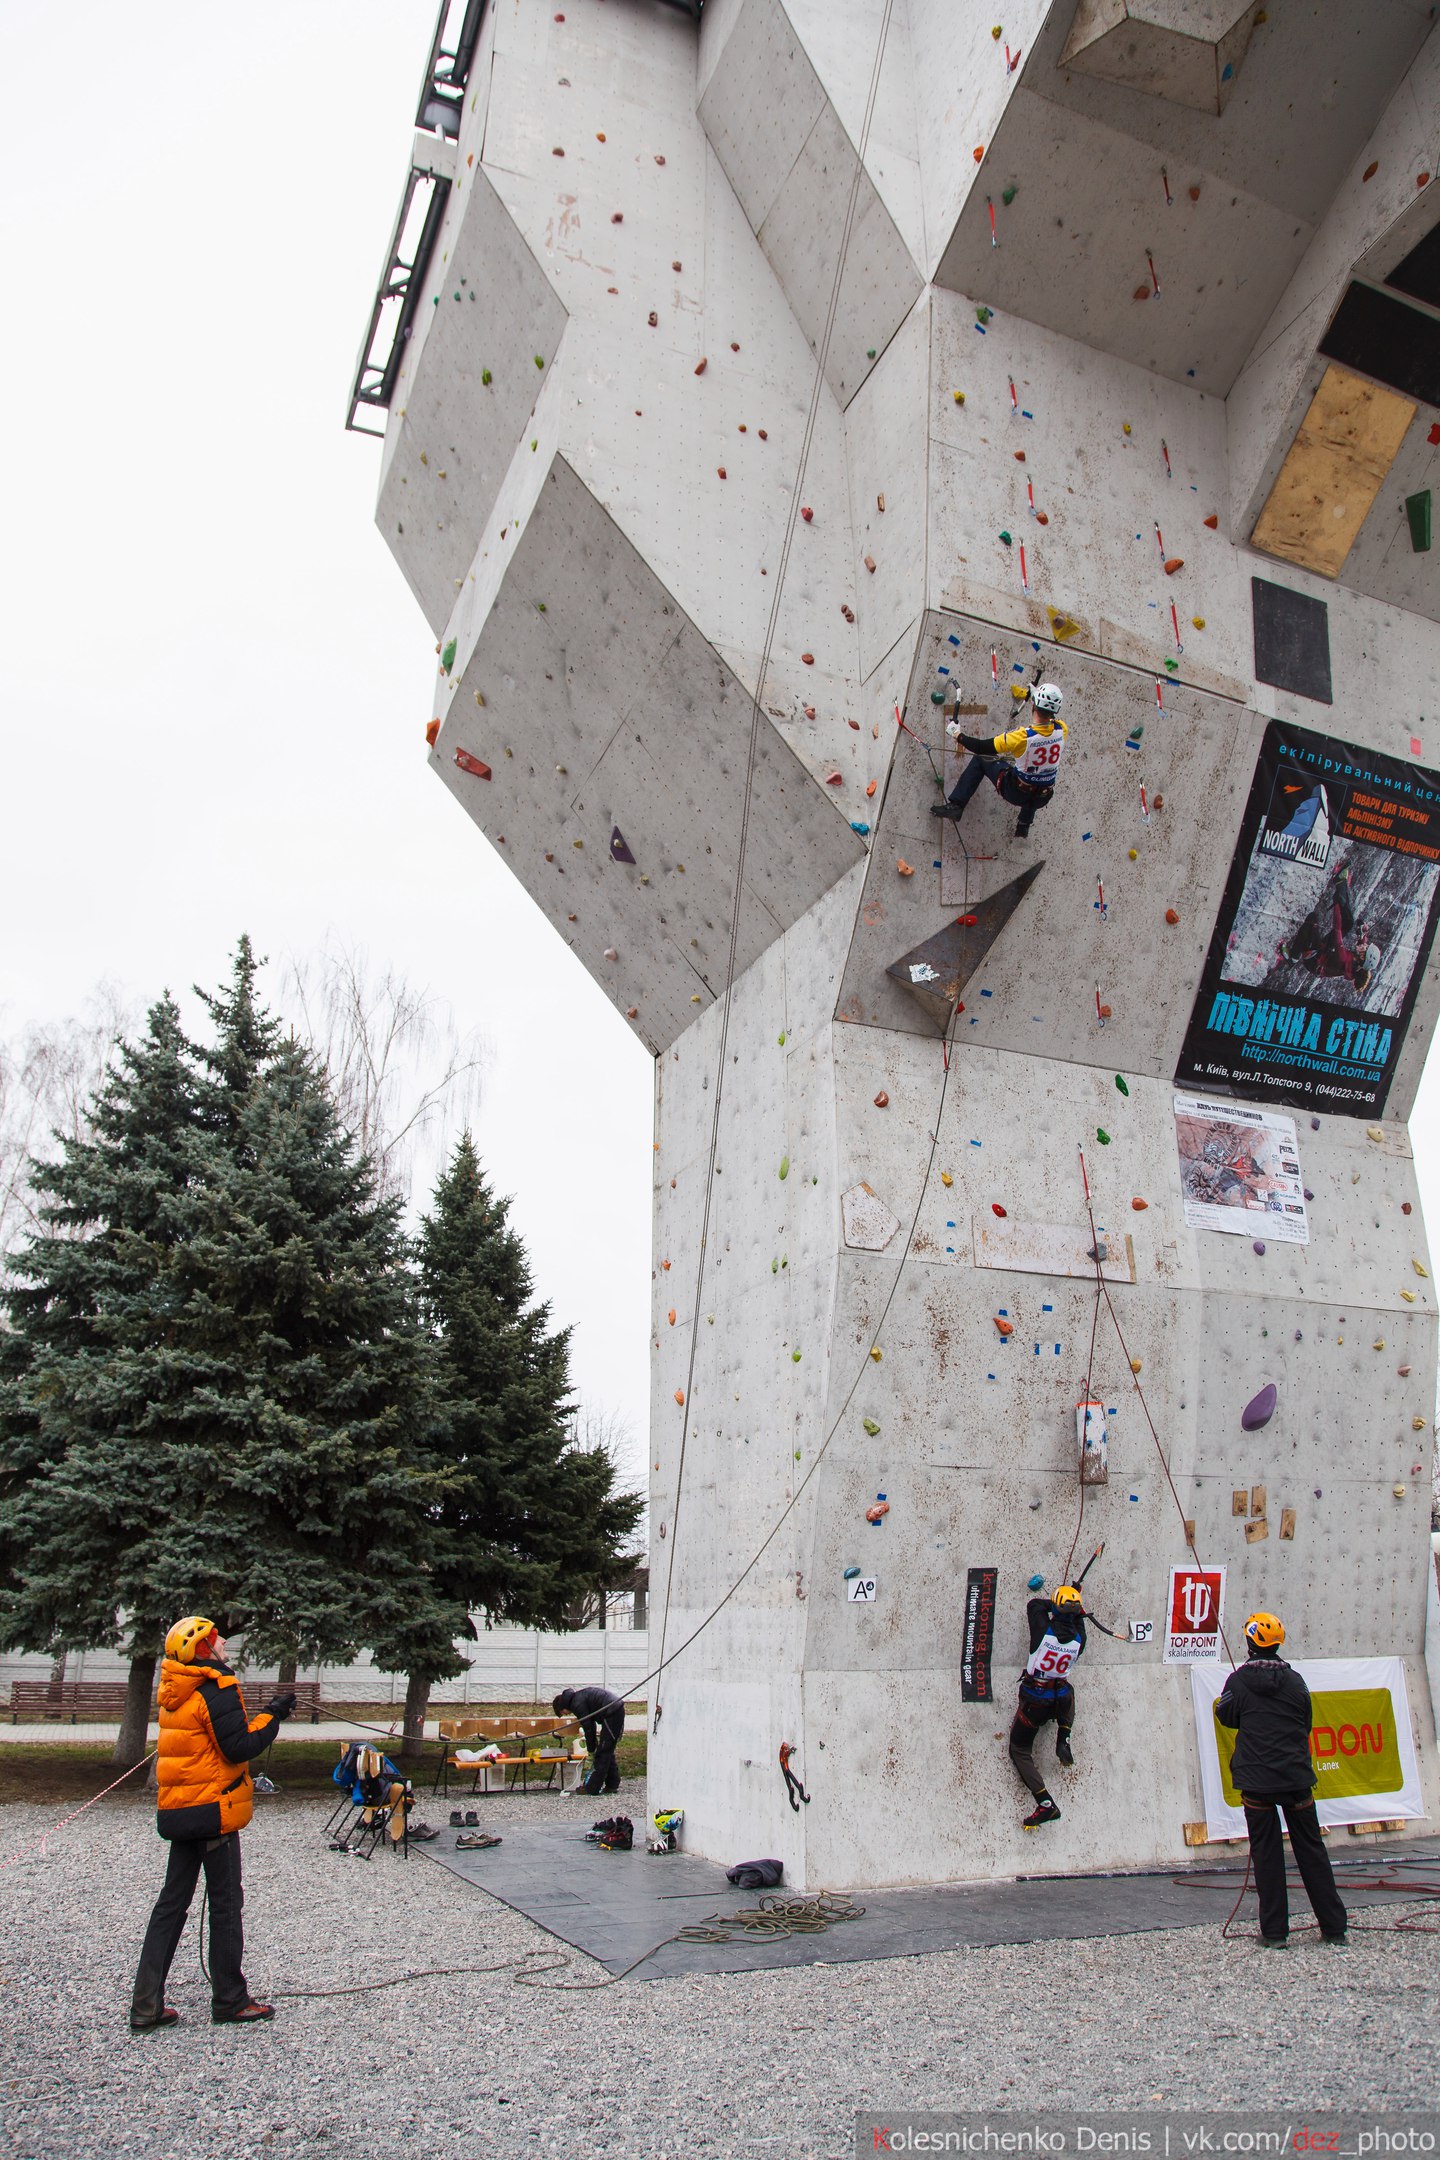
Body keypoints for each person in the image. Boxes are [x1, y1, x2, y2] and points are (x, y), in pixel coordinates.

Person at [130, 1615, 296, 2031]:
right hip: (213, 1810)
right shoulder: (215, 1687)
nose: (224, 1646)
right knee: (225, 1905)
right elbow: (237, 1747)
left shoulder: (175, 1689)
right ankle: (230, 1999)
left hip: (181, 1809)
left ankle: (146, 2005)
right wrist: (273, 1717)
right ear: (203, 1650)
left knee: (171, 1905)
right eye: (218, 1641)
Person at [1215, 1611, 1347, 1947]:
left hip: (1257, 1782)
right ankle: (1334, 1928)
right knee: (1312, 1852)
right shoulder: (1296, 1681)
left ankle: (1275, 1934)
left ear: (1249, 1643)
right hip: (1295, 1778)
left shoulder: (1238, 1681)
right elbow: (1306, 1722)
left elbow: (1227, 1715)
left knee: (1267, 1855)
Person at [932, 681, 1067, 840]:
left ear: (1033, 707)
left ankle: (956, 805)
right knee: (1038, 780)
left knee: (981, 759)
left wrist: (958, 735)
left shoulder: (1021, 737)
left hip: (1015, 792)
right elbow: (1048, 725)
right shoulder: (1061, 729)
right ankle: (1024, 824)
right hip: (1043, 797)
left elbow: (982, 748)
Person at [1009, 1584, 1085, 1828]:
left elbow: (1035, 1605)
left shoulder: (1043, 1630)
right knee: (1068, 1691)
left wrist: (1058, 1602)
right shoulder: (1080, 1640)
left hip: (1036, 1703)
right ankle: (1064, 1736)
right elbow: (1078, 1619)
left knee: (1019, 1750)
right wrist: (1072, 1607)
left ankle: (1045, 1804)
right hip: (1060, 1700)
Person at [1281, 867, 1380, 995]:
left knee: (1313, 919)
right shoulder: (1357, 963)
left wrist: (1337, 905)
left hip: (1313, 958)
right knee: (1349, 923)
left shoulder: (1344, 959)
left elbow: (1337, 929)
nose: (1365, 945)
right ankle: (1340, 882)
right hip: (1327, 950)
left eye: (1366, 948)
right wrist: (1362, 933)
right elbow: (1360, 944)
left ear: (1363, 957)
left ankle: (1293, 957)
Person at [552, 1684, 626, 1796]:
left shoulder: (577, 1704)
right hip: (614, 1709)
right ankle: (612, 1784)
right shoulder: (577, 1698)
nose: (566, 1714)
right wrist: (594, 1746)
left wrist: (591, 1750)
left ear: (562, 1707)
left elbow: (589, 1728)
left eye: (563, 1713)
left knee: (603, 1751)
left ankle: (592, 1788)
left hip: (612, 1711)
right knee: (606, 1748)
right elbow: (590, 1725)